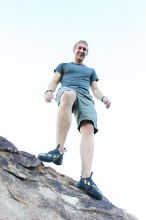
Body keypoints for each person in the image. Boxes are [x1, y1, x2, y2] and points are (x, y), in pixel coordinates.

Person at [38, 40, 111, 200]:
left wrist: (103, 98)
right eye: (80, 48)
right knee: (69, 95)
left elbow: (95, 89)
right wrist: (49, 90)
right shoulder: (64, 65)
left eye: (85, 49)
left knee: (88, 128)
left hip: (85, 96)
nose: (82, 51)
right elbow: (55, 80)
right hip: (67, 90)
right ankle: (58, 151)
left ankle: (85, 178)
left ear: (86, 53)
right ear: (74, 49)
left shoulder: (90, 70)